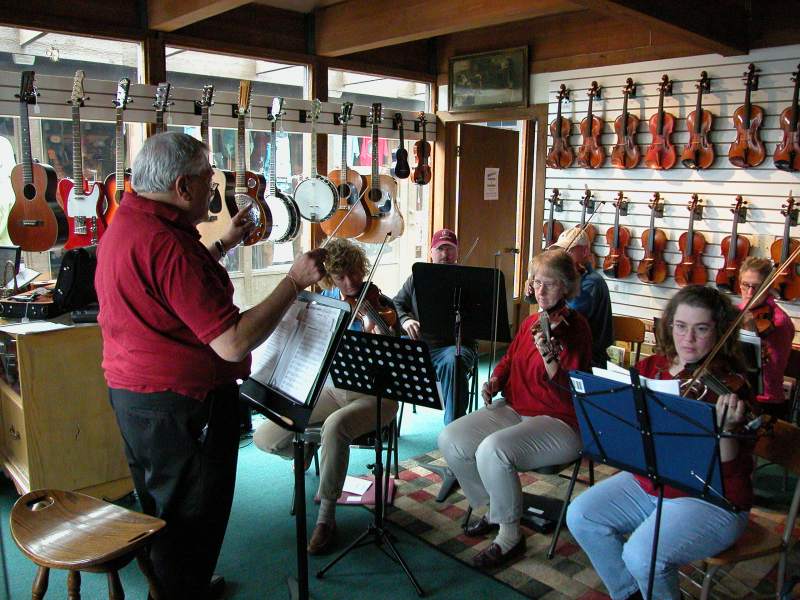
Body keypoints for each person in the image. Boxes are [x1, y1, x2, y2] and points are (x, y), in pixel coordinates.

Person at [95, 132, 325, 599]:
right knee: (193, 517)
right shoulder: (169, 245)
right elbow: (233, 342)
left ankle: (179, 586)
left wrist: (224, 244)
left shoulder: (130, 221)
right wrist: (293, 282)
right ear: (183, 186)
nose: (214, 189)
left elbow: (172, 283)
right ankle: (184, 589)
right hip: (182, 407)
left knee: (162, 507)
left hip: (135, 398)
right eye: (208, 179)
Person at [567, 285, 754, 600]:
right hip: (654, 480)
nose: (688, 339)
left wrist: (727, 430)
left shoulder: (732, 387)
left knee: (641, 555)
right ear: (670, 326)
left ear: (720, 331)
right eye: (681, 326)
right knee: (581, 515)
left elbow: (730, 474)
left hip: (711, 498)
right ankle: (631, 593)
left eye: (702, 329)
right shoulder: (650, 368)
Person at [438, 249, 592, 569]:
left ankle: (510, 536)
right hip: (516, 408)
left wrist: (550, 356)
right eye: (536, 283)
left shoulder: (576, 329)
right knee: (452, 438)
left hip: (560, 422)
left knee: (492, 450)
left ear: (565, 287)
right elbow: (509, 361)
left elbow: (570, 389)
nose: (541, 291)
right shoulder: (532, 322)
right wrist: (494, 380)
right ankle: (492, 509)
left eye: (549, 284)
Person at [253, 238, 399, 555]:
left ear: (363, 268)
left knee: (335, 427)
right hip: (333, 390)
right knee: (267, 436)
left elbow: (399, 355)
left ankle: (325, 519)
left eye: (354, 274)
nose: (349, 283)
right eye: (340, 277)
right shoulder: (326, 303)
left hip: (376, 398)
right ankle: (305, 450)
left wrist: (381, 337)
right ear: (330, 278)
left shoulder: (381, 304)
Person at [393, 228, 477, 424]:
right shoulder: (417, 277)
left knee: (453, 361)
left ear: (457, 253)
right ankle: (383, 424)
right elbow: (397, 303)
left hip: (454, 347)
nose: (445, 254)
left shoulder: (469, 281)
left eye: (449, 249)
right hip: (420, 345)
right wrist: (406, 319)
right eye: (440, 249)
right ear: (431, 253)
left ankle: (453, 428)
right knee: (387, 351)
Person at [527, 227, 613, 368]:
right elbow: (537, 301)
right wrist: (531, 287)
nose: (562, 256)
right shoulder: (567, 278)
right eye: (559, 251)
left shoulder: (593, 282)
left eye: (568, 250)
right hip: (565, 348)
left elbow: (566, 315)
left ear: (584, 251)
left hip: (588, 357)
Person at [738, 256, 795, 420]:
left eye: (756, 287)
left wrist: (751, 333)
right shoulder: (738, 310)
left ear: (768, 286)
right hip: (737, 393)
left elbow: (770, 375)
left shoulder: (779, 322)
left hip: (764, 403)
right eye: (745, 285)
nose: (749, 293)